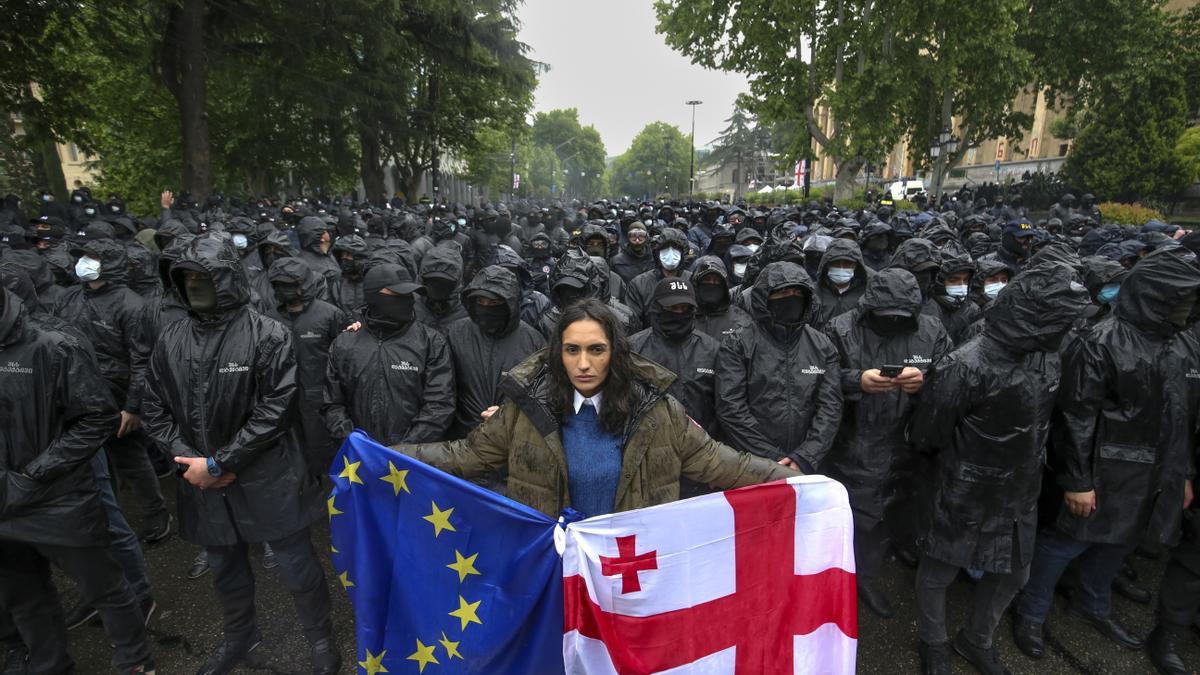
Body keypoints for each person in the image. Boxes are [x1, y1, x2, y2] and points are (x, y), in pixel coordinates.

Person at [391, 298, 798, 519]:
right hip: (553, 568)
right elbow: (464, 457)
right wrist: (386, 458)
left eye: (596, 350)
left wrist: (799, 483)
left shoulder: (659, 414)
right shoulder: (524, 411)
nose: (583, 364)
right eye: (572, 350)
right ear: (557, 354)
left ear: (616, 353)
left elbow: (722, 464)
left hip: (629, 574)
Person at [141, 234, 339, 675]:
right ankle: (240, 637)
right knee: (224, 569)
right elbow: (153, 406)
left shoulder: (269, 334)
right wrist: (192, 463)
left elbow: (277, 409)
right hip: (200, 479)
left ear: (227, 279)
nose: (194, 285)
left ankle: (320, 640)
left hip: (268, 476)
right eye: (186, 277)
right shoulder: (171, 337)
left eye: (203, 276)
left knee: (296, 567)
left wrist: (220, 463)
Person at [1013, 247, 1200, 660]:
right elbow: (1075, 417)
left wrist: (1181, 474)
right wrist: (1078, 480)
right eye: (1181, 298)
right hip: (1104, 468)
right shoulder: (1099, 341)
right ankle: (1032, 612)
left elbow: (1183, 416)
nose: (1188, 307)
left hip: (1154, 472)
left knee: (1121, 543)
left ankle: (1093, 601)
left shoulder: (1182, 344)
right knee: (1065, 542)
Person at [909, 263, 1090, 675]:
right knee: (939, 570)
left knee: (1013, 574)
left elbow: (1057, 421)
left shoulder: (1049, 358)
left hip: (1021, 488)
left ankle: (977, 638)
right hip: (963, 486)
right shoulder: (964, 364)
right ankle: (933, 641)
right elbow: (928, 432)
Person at [0, 288, 157, 675]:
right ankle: (49, 664)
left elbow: (95, 419)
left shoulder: (54, 345)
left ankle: (134, 660)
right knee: (23, 595)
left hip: (57, 498)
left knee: (104, 587)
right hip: (4, 506)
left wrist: (35, 474)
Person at [823, 268, 953, 619]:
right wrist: (856, 381)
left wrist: (926, 383)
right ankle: (861, 576)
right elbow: (819, 377)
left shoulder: (931, 330)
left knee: (903, 506)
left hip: (913, 438)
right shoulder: (841, 329)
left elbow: (953, 375)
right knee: (863, 517)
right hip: (856, 440)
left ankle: (891, 551)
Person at [53, 239, 172, 543]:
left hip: (116, 398)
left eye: (93, 257)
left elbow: (142, 359)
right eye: (83, 256)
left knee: (130, 459)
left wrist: (133, 406)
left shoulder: (132, 305)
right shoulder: (69, 298)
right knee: (93, 465)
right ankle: (109, 521)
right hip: (77, 395)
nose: (84, 263)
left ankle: (157, 517)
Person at [716, 261, 843, 474]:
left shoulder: (822, 345)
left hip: (808, 464)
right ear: (764, 297)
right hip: (754, 464)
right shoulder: (739, 343)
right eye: (781, 292)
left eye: (795, 292)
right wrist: (772, 458)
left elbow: (830, 406)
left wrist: (806, 455)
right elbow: (730, 406)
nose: (790, 298)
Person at [323, 264, 455, 447]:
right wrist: (353, 443)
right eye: (398, 295)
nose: (407, 300)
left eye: (409, 295)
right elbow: (332, 403)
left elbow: (439, 405)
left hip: (410, 461)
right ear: (374, 296)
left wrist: (402, 451)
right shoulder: (344, 344)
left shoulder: (431, 342)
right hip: (359, 458)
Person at [266, 257, 350, 477]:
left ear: (303, 284)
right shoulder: (269, 318)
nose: (285, 290)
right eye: (279, 285)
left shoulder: (329, 314)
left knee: (324, 454)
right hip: (283, 402)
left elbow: (343, 358)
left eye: (290, 284)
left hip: (320, 399)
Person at [444, 266, 545, 440]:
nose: (486, 309)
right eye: (480, 302)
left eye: (493, 303)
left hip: (511, 441)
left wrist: (510, 416)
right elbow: (441, 388)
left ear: (510, 304)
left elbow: (545, 397)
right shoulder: (455, 333)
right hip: (462, 440)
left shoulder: (533, 341)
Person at [628, 277, 722, 435]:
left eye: (685, 307)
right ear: (657, 307)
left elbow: (724, 405)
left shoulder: (712, 349)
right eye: (672, 308)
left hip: (701, 446)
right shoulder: (634, 348)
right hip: (648, 442)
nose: (679, 313)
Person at [624, 227, 691, 326]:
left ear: (683, 253)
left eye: (675, 248)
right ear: (657, 253)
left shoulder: (692, 280)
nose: (670, 253)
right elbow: (632, 321)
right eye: (665, 248)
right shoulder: (639, 284)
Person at [691, 255, 753, 341]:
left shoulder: (740, 320)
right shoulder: (685, 315)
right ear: (697, 284)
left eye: (717, 281)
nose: (711, 284)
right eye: (707, 280)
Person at [813, 238, 872, 328]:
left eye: (847, 263)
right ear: (827, 264)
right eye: (836, 263)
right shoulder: (814, 292)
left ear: (856, 265)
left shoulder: (866, 293)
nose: (841, 267)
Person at [413, 245, 469, 334]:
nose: (437, 287)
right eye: (432, 280)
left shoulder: (466, 314)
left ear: (456, 283)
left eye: (445, 282)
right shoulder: (410, 307)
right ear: (422, 280)